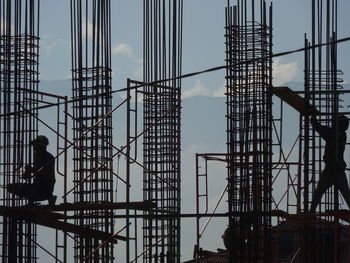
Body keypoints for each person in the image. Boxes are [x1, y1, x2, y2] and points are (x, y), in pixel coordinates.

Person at [310, 115, 350, 212]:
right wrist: (316, 124)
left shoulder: (340, 135)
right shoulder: (336, 133)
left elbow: (327, 134)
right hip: (331, 170)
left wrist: (315, 124)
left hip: (336, 170)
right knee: (318, 194)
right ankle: (311, 214)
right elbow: (325, 131)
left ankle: (310, 214)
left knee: (347, 195)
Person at [7, 135, 57, 205]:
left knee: (28, 189)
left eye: (35, 145)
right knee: (11, 187)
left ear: (41, 146)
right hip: (36, 187)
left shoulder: (48, 157)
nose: (34, 147)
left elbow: (46, 175)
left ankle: (49, 197)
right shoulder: (36, 156)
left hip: (44, 189)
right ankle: (32, 200)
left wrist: (32, 170)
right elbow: (36, 173)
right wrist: (28, 173)